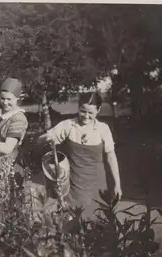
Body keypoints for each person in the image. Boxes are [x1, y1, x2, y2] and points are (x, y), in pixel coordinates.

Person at [37, 92, 122, 220]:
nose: (86, 116)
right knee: (74, 223)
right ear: (78, 108)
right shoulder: (68, 126)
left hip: (98, 186)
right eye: (82, 111)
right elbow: (40, 141)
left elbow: (111, 157)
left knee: (99, 222)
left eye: (90, 113)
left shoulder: (103, 129)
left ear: (98, 110)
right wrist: (46, 138)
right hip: (74, 187)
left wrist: (117, 184)